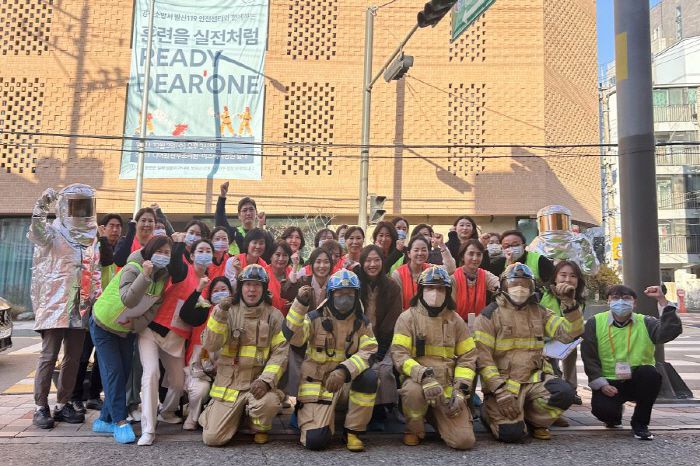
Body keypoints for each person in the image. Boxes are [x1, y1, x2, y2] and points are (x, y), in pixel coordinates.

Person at [91, 235, 186, 443]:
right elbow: (129, 299)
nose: (163, 256)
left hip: (126, 329)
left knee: (124, 373)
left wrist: (135, 324)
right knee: (114, 372)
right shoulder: (133, 268)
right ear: (149, 252)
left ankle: (104, 419)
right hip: (103, 324)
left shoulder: (162, 277)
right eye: (159, 251)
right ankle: (119, 421)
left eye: (167, 253)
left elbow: (152, 309)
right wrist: (145, 275)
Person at [474, 263, 583, 442]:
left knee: (564, 393)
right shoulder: (489, 315)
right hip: (505, 384)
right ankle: (488, 412)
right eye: (514, 283)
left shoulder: (539, 312)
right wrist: (499, 391)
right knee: (512, 434)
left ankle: (534, 421)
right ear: (504, 286)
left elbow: (570, 333)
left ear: (532, 287)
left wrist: (570, 305)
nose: (520, 288)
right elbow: (483, 359)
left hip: (534, 379)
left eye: (525, 284)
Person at [29, 185, 102, 429]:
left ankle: (63, 404)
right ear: (64, 206)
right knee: (49, 356)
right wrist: (42, 206)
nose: (80, 210)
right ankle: (41, 407)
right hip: (54, 304)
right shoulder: (53, 232)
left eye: (84, 205)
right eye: (75, 205)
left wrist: (96, 299)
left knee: (74, 357)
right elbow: (36, 232)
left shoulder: (91, 236)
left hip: (80, 307)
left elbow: (94, 271)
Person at [283, 269, 378, 452]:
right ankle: (310, 417)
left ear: (356, 295)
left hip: (344, 383)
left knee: (369, 378)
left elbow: (370, 351)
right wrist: (300, 304)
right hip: (317, 386)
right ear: (330, 295)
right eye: (339, 293)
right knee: (316, 441)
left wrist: (344, 371)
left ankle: (353, 431)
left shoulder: (362, 322)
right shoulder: (314, 318)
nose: (345, 298)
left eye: (349, 294)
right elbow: (294, 338)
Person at [199, 265, 289, 446]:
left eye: (257, 285)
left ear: (263, 289)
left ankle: (257, 426)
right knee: (213, 439)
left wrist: (266, 381)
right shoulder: (226, 311)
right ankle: (229, 415)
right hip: (229, 386)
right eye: (248, 284)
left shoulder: (274, 316)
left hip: (257, 386)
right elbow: (211, 345)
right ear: (240, 287)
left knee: (269, 403)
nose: (252, 289)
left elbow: (280, 354)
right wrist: (219, 314)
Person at [391, 266, 477, 450]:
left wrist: (460, 391)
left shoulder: (456, 321)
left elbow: (468, 358)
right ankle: (414, 429)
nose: (435, 293)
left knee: (464, 442)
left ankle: (435, 417)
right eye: (430, 287)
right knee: (413, 392)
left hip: (447, 387)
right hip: (418, 382)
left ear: (447, 292)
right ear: (421, 290)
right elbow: (400, 355)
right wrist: (424, 376)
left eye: (440, 289)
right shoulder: (407, 318)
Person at [581, 284, 682, 441]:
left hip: (637, 379)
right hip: (609, 382)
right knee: (603, 411)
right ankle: (614, 416)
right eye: (615, 298)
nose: (621, 302)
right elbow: (589, 357)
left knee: (651, 374)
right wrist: (602, 385)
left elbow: (669, 332)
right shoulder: (595, 322)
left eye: (626, 298)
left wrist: (662, 300)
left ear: (634, 303)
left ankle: (640, 424)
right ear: (608, 302)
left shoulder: (645, 322)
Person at [136, 238, 208, 446]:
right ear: (191, 255)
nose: (204, 254)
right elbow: (175, 264)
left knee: (177, 381)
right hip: (151, 329)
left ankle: (166, 412)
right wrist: (178, 244)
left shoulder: (209, 284)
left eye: (208, 250)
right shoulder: (182, 270)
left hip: (176, 338)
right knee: (151, 373)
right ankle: (148, 429)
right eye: (200, 250)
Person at [71, 215, 121, 413]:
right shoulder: (95, 247)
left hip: (109, 313)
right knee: (83, 355)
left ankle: (94, 395)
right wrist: (102, 239)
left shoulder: (121, 250)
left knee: (102, 357)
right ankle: (75, 397)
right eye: (111, 226)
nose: (115, 229)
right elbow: (105, 262)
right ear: (102, 228)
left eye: (118, 226)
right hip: (90, 310)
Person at [178, 276, 234, 431]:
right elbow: (185, 313)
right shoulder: (202, 311)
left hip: (227, 365)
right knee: (199, 391)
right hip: (200, 364)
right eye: (215, 291)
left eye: (224, 289)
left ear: (231, 292)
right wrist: (199, 289)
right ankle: (193, 416)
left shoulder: (236, 313)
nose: (220, 293)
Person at [357, 245, 402, 431]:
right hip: (358, 341)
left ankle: (380, 411)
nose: (372, 264)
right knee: (362, 369)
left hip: (385, 341)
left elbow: (392, 320)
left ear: (383, 262)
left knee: (383, 369)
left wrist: (381, 350)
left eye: (376, 260)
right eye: (368, 260)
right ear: (362, 263)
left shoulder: (392, 287)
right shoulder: (355, 284)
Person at [283, 248, 333, 399]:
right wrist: (294, 269)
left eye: (326, 262)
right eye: (318, 262)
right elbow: (286, 291)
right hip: (303, 337)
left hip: (328, 339)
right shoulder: (304, 281)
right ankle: (295, 398)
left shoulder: (335, 283)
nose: (322, 266)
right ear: (311, 265)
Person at [539, 260, 587, 414]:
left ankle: (571, 389)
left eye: (573, 276)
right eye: (563, 275)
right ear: (555, 277)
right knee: (552, 374)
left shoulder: (578, 300)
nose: (567, 279)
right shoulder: (542, 295)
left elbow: (576, 326)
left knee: (572, 346)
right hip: (543, 343)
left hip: (565, 339)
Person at [392, 234, 455, 310]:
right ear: (409, 254)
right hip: (407, 316)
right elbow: (398, 305)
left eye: (424, 250)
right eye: (416, 250)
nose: (420, 253)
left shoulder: (431, 269)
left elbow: (450, 268)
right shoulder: (398, 274)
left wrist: (441, 245)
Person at [216, 182, 273, 259]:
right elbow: (220, 221)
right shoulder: (233, 232)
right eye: (245, 210)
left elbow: (269, 253)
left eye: (251, 209)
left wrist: (261, 226)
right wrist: (222, 196)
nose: (248, 213)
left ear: (256, 213)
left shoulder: (265, 234)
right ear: (239, 215)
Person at [451, 239, 500, 321]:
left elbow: (499, 285)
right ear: (462, 256)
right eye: (471, 254)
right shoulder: (453, 276)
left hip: (480, 323)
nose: (475, 258)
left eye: (479, 254)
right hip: (457, 322)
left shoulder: (485, 275)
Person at [488, 230, 555, 286]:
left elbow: (552, 282)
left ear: (524, 246)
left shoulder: (539, 260)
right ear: (502, 248)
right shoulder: (499, 263)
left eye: (515, 245)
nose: (511, 248)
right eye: (506, 246)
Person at [265, 240, 293, 314]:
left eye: (285, 255)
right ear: (271, 256)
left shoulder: (292, 273)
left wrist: (294, 302)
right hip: (269, 317)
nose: (281, 259)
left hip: (289, 318)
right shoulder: (263, 274)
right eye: (277, 255)